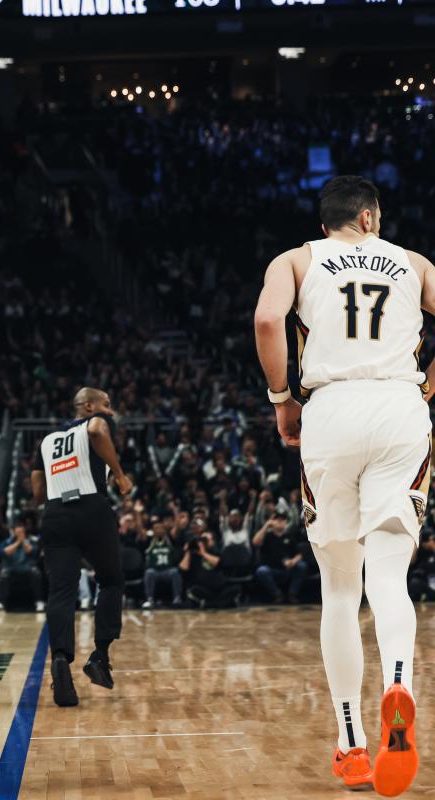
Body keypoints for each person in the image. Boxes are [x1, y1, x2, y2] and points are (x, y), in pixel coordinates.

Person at [254, 174, 434, 795]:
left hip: (330, 412)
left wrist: (282, 399)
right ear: (367, 217)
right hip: (398, 410)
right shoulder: (411, 262)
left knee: (338, 588)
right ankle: (400, 685)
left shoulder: (296, 260)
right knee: (389, 573)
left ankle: (352, 744)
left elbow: (267, 321)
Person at [29, 387, 129, 708]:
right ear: (88, 406)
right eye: (106, 404)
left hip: (55, 514)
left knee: (62, 592)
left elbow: (37, 491)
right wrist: (119, 474)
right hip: (92, 507)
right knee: (111, 580)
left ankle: (60, 660)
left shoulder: (46, 441)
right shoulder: (96, 422)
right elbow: (98, 430)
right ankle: (100, 655)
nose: (110, 412)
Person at [252, 512, 308, 604]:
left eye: (283, 520)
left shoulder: (289, 537)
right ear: (272, 522)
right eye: (277, 520)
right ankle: (277, 594)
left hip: (287, 569)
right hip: (271, 569)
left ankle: (292, 594)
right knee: (261, 571)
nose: (280, 522)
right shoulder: (267, 536)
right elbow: (255, 543)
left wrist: (293, 561)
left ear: (286, 523)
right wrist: (266, 526)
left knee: (302, 566)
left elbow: (299, 555)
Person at [0, 523, 44, 613]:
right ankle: (1, 603)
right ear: (13, 532)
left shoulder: (31, 541)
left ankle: (38, 601)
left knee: (36, 572)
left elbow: (30, 551)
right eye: (18, 532)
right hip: (11, 569)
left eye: (22, 532)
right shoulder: (6, 542)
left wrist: (23, 541)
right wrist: (18, 542)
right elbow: (6, 552)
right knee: (3, 574)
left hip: (27, 568)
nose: (20, 534)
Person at [142, 520, 182, 608]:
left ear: (165, 530)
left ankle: (177, 598)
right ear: (153, 530)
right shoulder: (149, 540)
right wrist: (136, 512)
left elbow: (177, 527)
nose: (159, 530)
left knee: (175, 571)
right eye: (156, 528)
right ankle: (149, 599)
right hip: (155, 571)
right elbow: (140, 530)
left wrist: (175, 510)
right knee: (149, 572)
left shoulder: (169, 539)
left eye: (161, 528)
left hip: (167, 570)